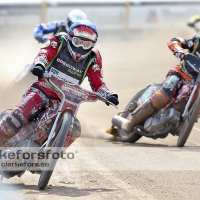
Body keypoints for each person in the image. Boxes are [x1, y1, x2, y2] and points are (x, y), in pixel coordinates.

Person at [0, 20, 119, 149]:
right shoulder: (59, 40)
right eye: (78, 42)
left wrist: (107, 94)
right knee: (14, 120)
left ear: (93, 44)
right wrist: (40, 64)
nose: (81, 48)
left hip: (64, 101)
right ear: (70, 37)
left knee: (75, 129)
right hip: (42, 90)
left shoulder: (94, 57)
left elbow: (98, 80)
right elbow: (44, 53)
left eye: (86, 44)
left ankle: (46, 158)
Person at [122, 34, 200, 133]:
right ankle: (132, 121)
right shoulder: (197, 41)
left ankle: (180, 121)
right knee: (161, 98)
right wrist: (179, 52)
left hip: (196, 85)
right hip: (181, 73)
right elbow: (175, 41)